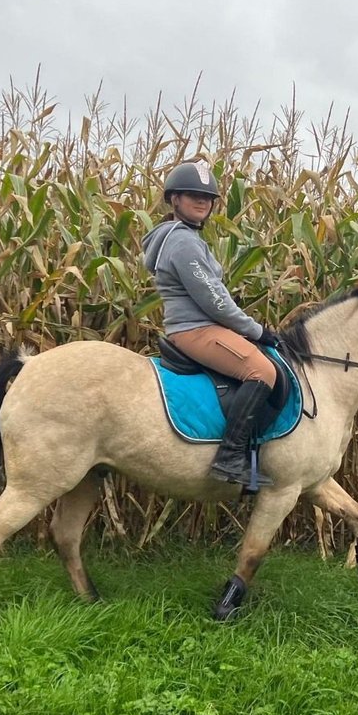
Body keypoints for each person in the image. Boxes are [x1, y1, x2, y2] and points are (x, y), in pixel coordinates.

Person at [141, 161, 281, 487]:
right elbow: (214, 301)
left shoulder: (179, 237)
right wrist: (257, 330)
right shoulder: (182, 242)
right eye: (193, 195)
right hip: (196, 329)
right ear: (174, 199)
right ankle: (230, 458)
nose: (202, 201)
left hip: (200, 327)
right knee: (263, 372)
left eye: (207, 197)